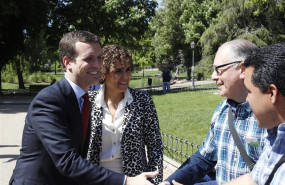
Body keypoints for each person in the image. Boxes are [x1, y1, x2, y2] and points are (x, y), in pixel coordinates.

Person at [9, 30, 158, 185]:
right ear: (67, 62)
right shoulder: (49, 100)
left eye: (99, 58)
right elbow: (67, 161)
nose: (97, 65)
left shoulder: (82, 98)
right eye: (89, 59)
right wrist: (127, 181)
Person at [160, 39, 267, 185]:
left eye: (218, 69)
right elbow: (204, 158)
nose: (213, 76)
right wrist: (169, 182)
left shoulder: (272, 118)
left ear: (242, 69)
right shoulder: (223, 110)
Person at [87, 44, 163, 184]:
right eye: (118, 71)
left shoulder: (143, 101)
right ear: (104, 72)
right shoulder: (89, 101)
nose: (125, 76)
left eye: (128, 70)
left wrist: (155, 180)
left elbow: (155, 145)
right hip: (97, 179)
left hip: (136, 179)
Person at [223, 43, 285, 185]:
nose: (247, 99)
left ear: (271, 93)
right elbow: (255, 179)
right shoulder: (276, 136)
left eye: (249, 91)